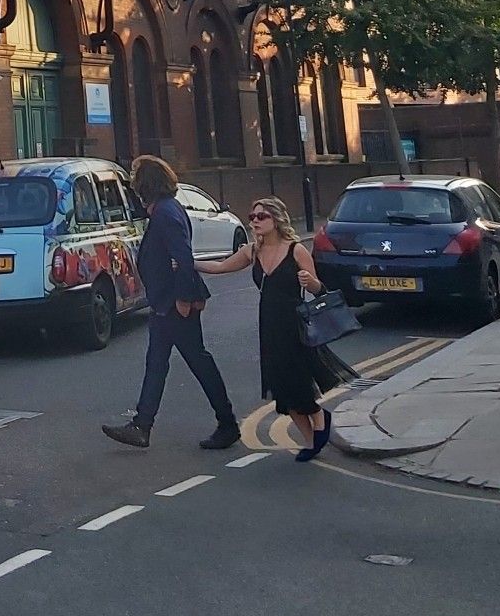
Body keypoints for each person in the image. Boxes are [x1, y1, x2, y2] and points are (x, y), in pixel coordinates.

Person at [198, 197, 355, 462]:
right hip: (268, 325)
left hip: (293, 326)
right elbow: (221, 266)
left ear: (276, 220)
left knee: (298, 383)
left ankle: (318, 418)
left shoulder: (296, 250)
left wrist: (311, 282)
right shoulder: (252, 251)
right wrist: (188, 263)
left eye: (262, 217)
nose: (255, 221)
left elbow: (320, 291)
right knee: (281, 388)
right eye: (253, 216)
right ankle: (310, 442)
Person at [102, 155, 239, 451]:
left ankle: (227, 424)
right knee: (160, 363)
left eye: (136, 179)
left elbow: (183, 258)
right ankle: (142, 426)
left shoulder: (166, 213)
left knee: (196, 361)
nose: (133, 186)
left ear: (146, 184)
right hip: (166, 304)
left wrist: (183, 299)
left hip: (174, 305)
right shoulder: (164, 211)